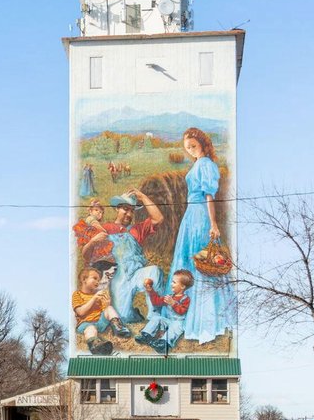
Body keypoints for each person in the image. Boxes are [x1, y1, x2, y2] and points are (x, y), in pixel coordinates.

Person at [170, 127, 234, 344]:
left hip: (200, 215)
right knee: (191, 259)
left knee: (201, 262)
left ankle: (205, 319)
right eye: (187, 148)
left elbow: (209, 196)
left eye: (194, 146)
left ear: (203, 144)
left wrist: (213, 223)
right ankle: (186, 312)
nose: (190, 151)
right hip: (191, 214)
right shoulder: (198, 163)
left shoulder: (206, 164)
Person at [80, 188, 164, 324]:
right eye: (126, 209)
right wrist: (92, 241)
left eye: (132, 210)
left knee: (155, 272)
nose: (129, 214)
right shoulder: (104, 228)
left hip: (137, 273)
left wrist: (142, 196)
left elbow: (158, 218)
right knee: (123, 317)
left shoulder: (137, 229)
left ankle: (155, 318)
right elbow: (86, 255)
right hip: (118, 278)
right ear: (117, 209)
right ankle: (134, 314)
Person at [72, 266, 131, 355]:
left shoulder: (98, 294)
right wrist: (93, 299)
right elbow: (80, 312)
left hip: (100, 322)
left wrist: (107, 303)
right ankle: (95, 345)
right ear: (84, 280)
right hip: (85, 323)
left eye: (98, 280)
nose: (97, 282)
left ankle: (118, 327)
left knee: (109, 309)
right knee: (90, 329)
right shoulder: (77, 294)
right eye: (94, 278)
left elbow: (105, 311)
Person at [137, 271, 194, 354]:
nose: (171, 284)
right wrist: (151, 291)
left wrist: (173, 303)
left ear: (182, 286)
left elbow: (182, 311)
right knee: (157, 318)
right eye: (172, 281)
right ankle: (146, 336)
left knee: (175, 327)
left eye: (174, 282)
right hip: (169, 321)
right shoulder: (169, 296)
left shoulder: (186, 299)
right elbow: (156, 302)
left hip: (179, 323)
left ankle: (163, 344)